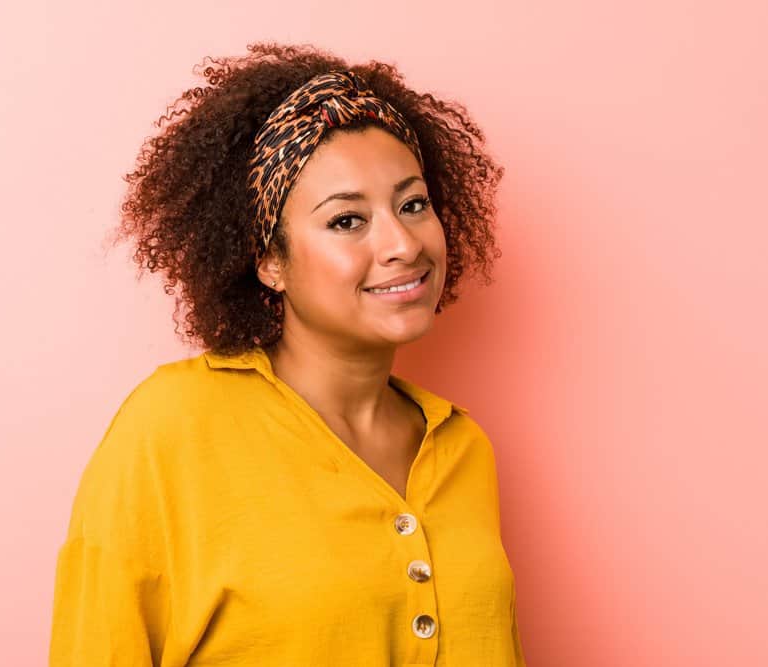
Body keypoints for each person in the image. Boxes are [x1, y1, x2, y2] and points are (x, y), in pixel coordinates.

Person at [49, 42, 526, 666]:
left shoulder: (461, 448)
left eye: (412, 205)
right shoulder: (172, 427)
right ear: (271, 262)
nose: (403, 244)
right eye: (346, 221)